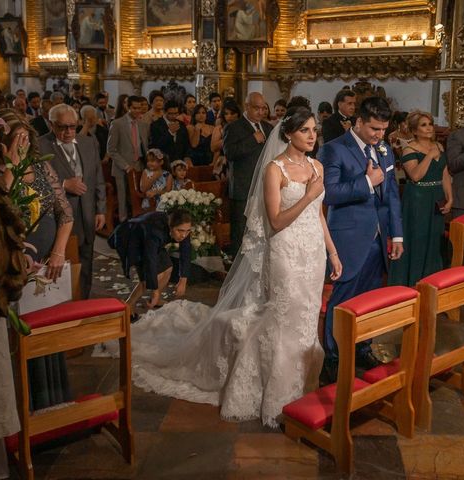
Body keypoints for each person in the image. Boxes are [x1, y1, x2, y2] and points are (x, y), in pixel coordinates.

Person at [130, 107, 342, 427]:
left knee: (307, 317)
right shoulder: (275, 170)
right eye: (305, 131)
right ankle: (276, 396)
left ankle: (302, 387)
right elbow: (276, 220)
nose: (313, 136)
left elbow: (318, 216)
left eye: (314, 130)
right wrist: (309, 193)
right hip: (285, 251)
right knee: (283, 318)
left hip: (313, 253)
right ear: (288, 134)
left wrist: (333, 253)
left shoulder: (317, 166)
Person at [0, 108, 74, 412]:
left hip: (47, 263)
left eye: (27, 138)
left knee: (49, 333)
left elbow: (65, 214)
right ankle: (25, 412)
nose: (24, 144)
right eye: (17, 140)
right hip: (16, 264)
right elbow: (1, 208)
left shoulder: (42, 168)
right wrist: (11, 163)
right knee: (23, 337)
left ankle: (55, 405)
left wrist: (58, 252)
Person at [319, 96, 403, 384]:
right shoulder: (333, 149)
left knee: (368, 300)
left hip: (379, 237)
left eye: (383, 130)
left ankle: (362, 347)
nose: (380, 136)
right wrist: (368, 182)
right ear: (359, 122)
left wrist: (397, 235)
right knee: (342, 301)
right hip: (349, 237)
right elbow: (329, 193)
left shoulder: (384, 150)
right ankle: (332, 357)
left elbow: (392, 193)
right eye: (374, 130)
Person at [40, 104, 106, 299]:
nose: (69, 132)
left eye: (72, 126)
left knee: (86, 258)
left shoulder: (88, 142)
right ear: (52, 125)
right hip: (59, 215)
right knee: (64, 259)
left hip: (87, 212)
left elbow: (98, 177)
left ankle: (83, 299)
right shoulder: (40, 145)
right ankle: (64, 302)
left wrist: (100, 209)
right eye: (63, 127)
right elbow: (34, 181)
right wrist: (62, 184)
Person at [388, 111, 452, 287]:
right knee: (418, 240)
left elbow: (445, 174)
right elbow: (415, 175)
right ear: (415, 130)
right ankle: (412, 284)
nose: (429, 128)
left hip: (436, 199)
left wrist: (450, 197)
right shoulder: (409, 149)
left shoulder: (439, 146)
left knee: (434, 241)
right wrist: (430, 156)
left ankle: (432, 284)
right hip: (418, 200)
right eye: (424, 125)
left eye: (430, 124)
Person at [223, 91, 273, 254]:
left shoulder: (267, 127)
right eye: (256, 108)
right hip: (243, 188)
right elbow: (230, 153)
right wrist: (253, 139)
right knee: (241, 231)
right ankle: (237, 270)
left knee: (260, 229)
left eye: (263, 108)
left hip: (263, 186)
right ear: (246, 106)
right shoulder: (233, 127)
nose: (260, 112)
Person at [118, 208, 192, 311]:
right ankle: (128, 305)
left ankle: (157, 299)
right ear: (170, 227)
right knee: (149, 278)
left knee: (168, 267)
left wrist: (183, 280)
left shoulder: (184, 228)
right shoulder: (155, 232)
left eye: (187, 231)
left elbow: (186, 252)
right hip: (133, 240)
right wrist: (154, 291)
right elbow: (150, 261)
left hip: (151, 243)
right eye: (180, 231)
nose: (184, 235)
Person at [107, 95, 149, 221]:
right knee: (123, 198)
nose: (137, 111)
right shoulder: (117, 124)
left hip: (139, 165)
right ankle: (123, 224)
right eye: (134, 108)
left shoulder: (143, 124)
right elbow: (111, 149)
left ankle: (137, 221)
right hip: (122, 167)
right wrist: (125, 166)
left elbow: (144, 146)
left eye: (139, 108)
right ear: (128, 107)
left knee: (137, 198)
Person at [210, 99, 241, 180]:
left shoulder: (243, 128)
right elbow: (213, 147)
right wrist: (229, 139)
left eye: (232, 113)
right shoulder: (219, 128)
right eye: (226, 114)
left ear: (238, 114)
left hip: (239, 161)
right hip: (223, 161)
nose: (229, 116)